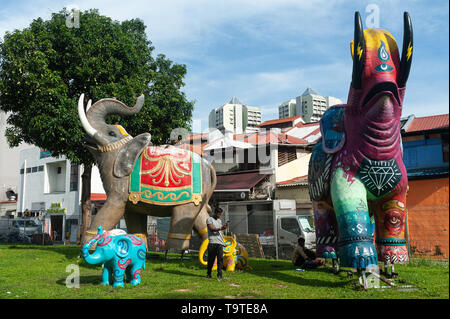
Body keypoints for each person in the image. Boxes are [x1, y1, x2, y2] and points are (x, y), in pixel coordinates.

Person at [206, 207, 228, 279]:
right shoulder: (209, 219)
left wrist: (223, 228)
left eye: (220, 214)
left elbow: (220, 232)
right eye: (218, 214)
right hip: (213, 242)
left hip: (220, 243)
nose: (219, 215)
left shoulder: (219, 221)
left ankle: (219, 275)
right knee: (211, 259)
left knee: (220, 259)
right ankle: (209, 274)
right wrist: (221, 228)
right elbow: (211, 229)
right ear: (215, 213)